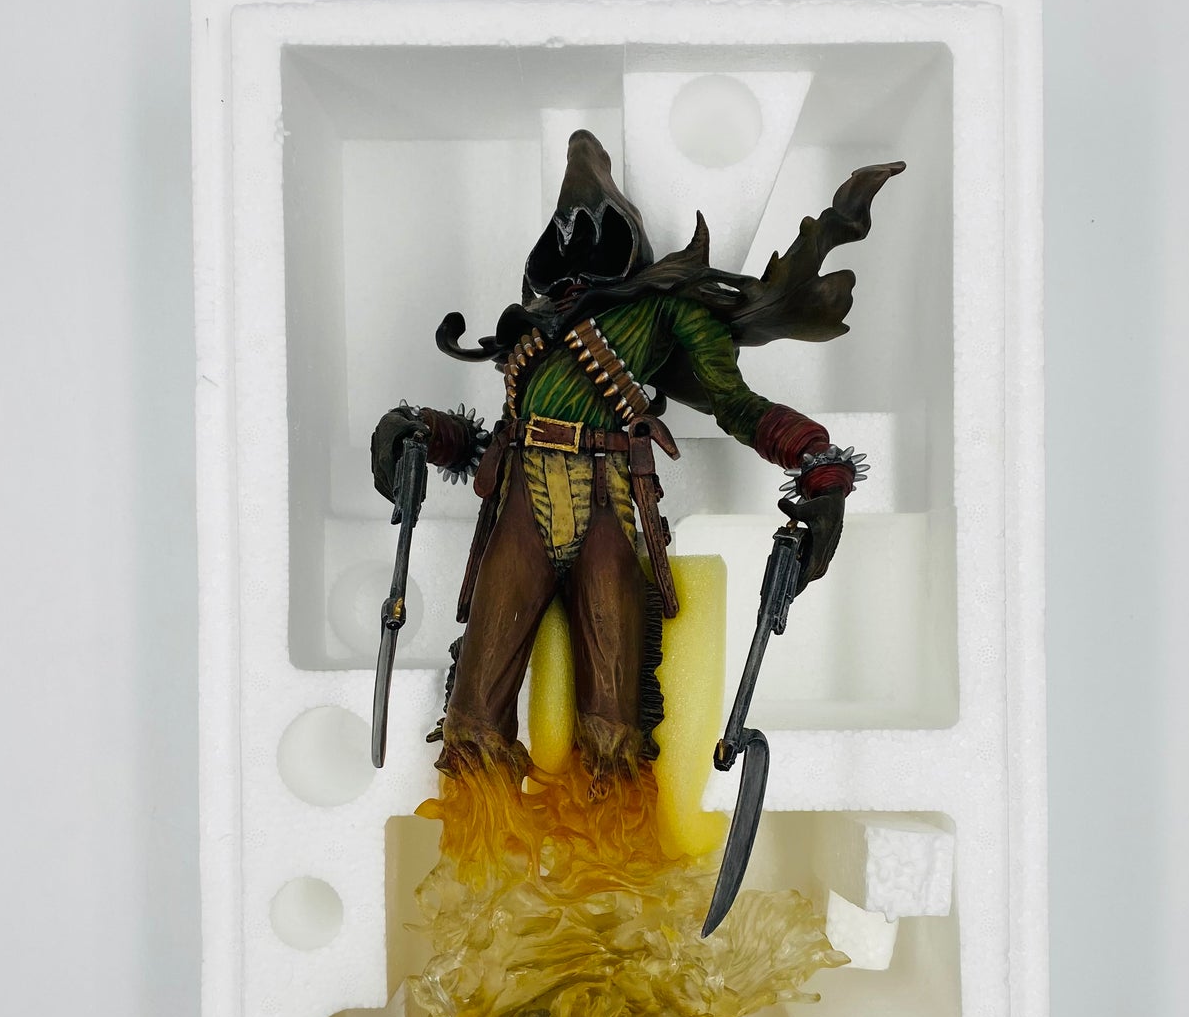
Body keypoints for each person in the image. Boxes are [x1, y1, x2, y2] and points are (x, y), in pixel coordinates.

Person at [372, 130, 900, 794]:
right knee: (473, 714)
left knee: (614, 720)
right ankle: (482, 840)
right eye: (565, 229)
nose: (574, 240)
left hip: (608, 504)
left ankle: (614, 848)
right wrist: (421, 434)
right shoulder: (530, 327)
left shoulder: (665, 310)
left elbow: (735, 404)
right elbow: (491, 445)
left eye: (592, 226)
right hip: (519, 503)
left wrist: (820, 463)